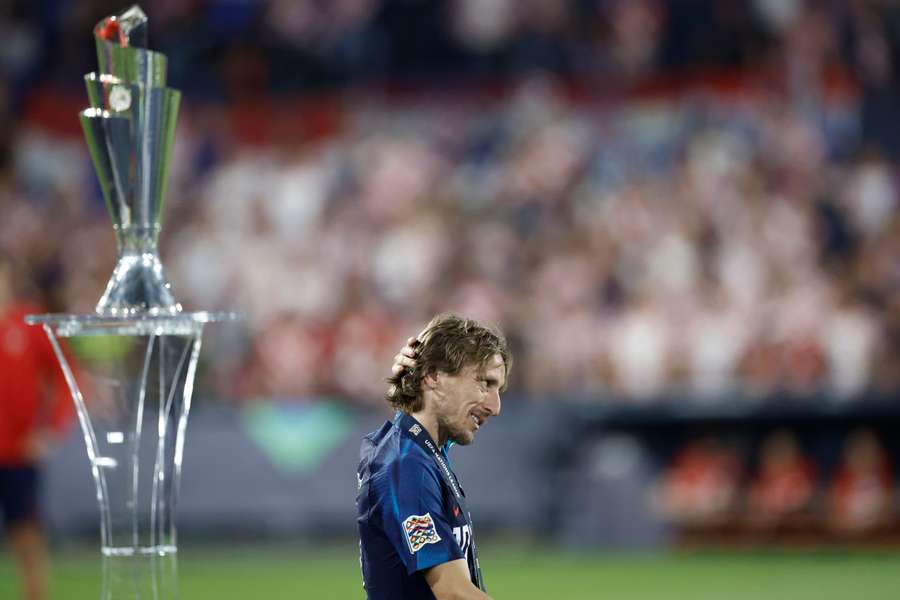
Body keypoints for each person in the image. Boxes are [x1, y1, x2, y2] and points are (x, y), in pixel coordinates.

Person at [357, 313, 511, 600]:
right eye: (484, 383)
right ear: (434, 376)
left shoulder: (423, 451)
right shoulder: (406, 466)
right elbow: (454, 594)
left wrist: (418, 373)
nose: (495, 406)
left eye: (497, 389)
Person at [0, 252, 72, 600]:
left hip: (17, 454)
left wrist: (51, 429)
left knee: (27, 539)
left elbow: (66, 376)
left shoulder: (27, 325)